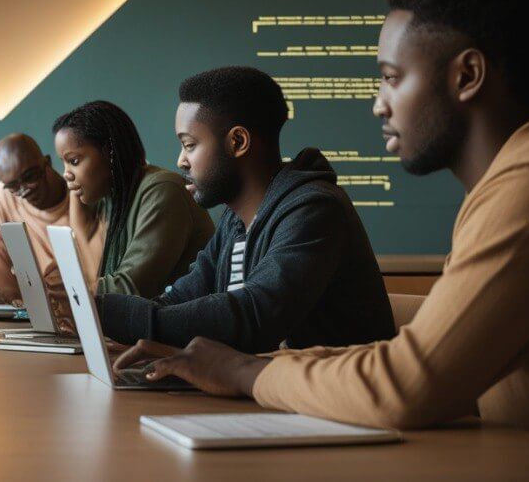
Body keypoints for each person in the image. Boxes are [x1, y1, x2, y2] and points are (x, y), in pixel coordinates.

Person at [115, 0, 529, 441]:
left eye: (392, 78)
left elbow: (408, 384)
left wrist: (244, 373)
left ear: (467, 75)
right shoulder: (514, 180)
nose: (377, 104)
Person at [96, 67, 395, 352]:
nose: (181, 161)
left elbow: (256, 314)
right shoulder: (234, 221)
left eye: (189, 145)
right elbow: (183, 297)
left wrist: (116, 314)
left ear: (238, 142)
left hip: (333, 400)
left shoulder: (315, 210)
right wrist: (108, 318)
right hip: (271, 393)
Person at [52, 100, 214, 298]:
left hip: (182, 327)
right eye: (64, 163)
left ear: (109, 152)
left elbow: (129, 289)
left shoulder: (163, 191)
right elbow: (88, 271)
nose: (66, 174)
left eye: (74, 161)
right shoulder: (110, 199)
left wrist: (61, 290)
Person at [0, 133, 105, 296]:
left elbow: (103, 283)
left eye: (30, 177)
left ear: (47, 163)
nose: (24, 190)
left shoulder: (88, 196)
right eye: (13, 187)